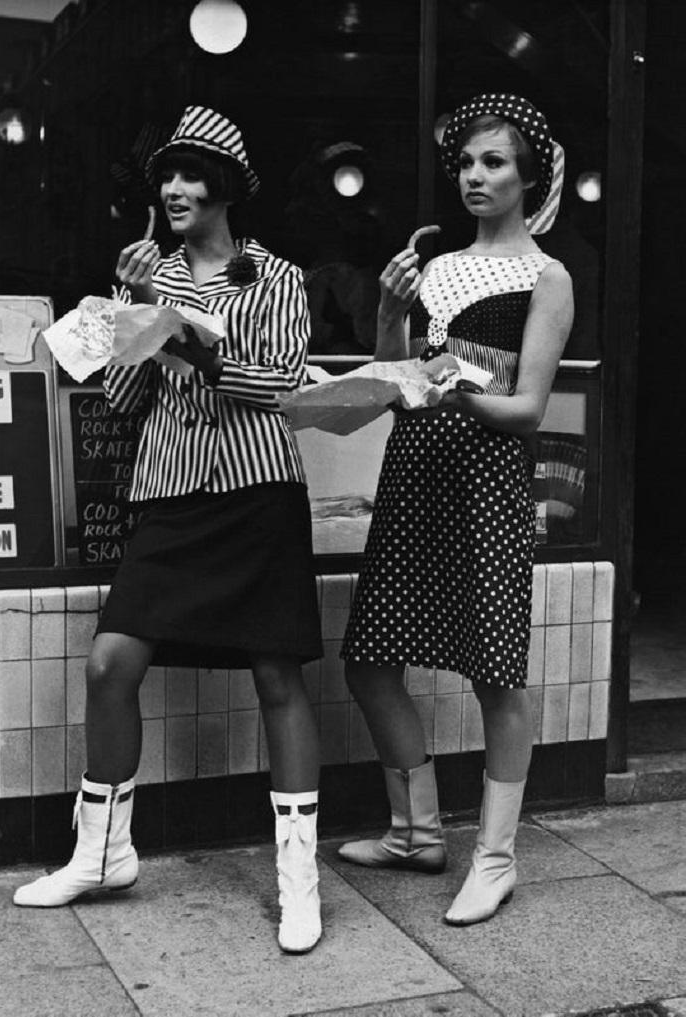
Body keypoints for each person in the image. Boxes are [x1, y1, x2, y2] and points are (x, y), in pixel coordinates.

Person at [14, 106, 324, 955]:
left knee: (276, 675)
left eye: (191, 176)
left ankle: (300, 883)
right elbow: (119, 399)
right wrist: (131, 312)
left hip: (258, 487)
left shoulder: (277, 276)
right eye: (167, 177)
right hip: (168, 490)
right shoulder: (145, 274)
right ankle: (104, 853)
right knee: (111, 661)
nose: (175, 189)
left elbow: (278, 382)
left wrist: (175, 320)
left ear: (226, 186)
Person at [338, 94, 574, 926]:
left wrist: (457, 386)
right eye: (467, 162)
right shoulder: (435, 268)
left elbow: (527, 411)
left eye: (495, 162)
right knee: (368, 656)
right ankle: (416, 833)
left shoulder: (548, 277)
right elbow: (394, 385)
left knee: (495, 669)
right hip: (416, 473)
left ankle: (496, 857)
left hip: (487, 480)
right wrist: (391, 313)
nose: (476, 176)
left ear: (527, 174)